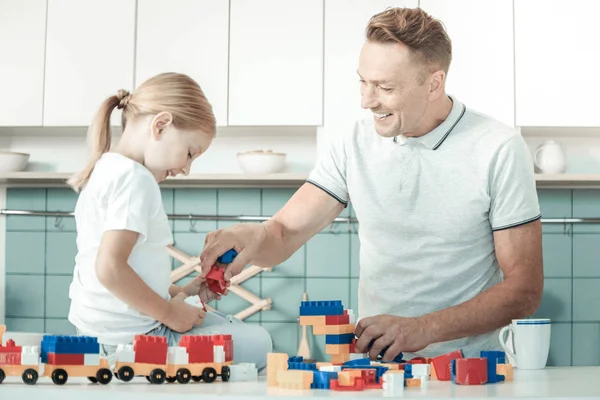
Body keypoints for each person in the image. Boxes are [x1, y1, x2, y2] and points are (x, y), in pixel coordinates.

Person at [199, 7, 543, 361]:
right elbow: (283, 233)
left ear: (434, 83)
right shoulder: (354, 143)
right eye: (363, 81)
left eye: (385, 87)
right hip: (377, 368)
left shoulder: (497, 148)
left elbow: (524, 289)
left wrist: (421, 329)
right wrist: (250, 237)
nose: (366, 100)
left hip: (470, 370)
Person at [66, 72, 272, 370]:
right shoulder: (136, 179)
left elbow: (121, 276)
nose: (186, 169)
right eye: (190, 153)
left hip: (101, 336)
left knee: (231, 330)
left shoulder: (105, 170)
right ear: (161, 125)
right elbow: (109, 269)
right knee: (259, 342)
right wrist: (169, 314)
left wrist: (186, 293)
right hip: (134, 343)